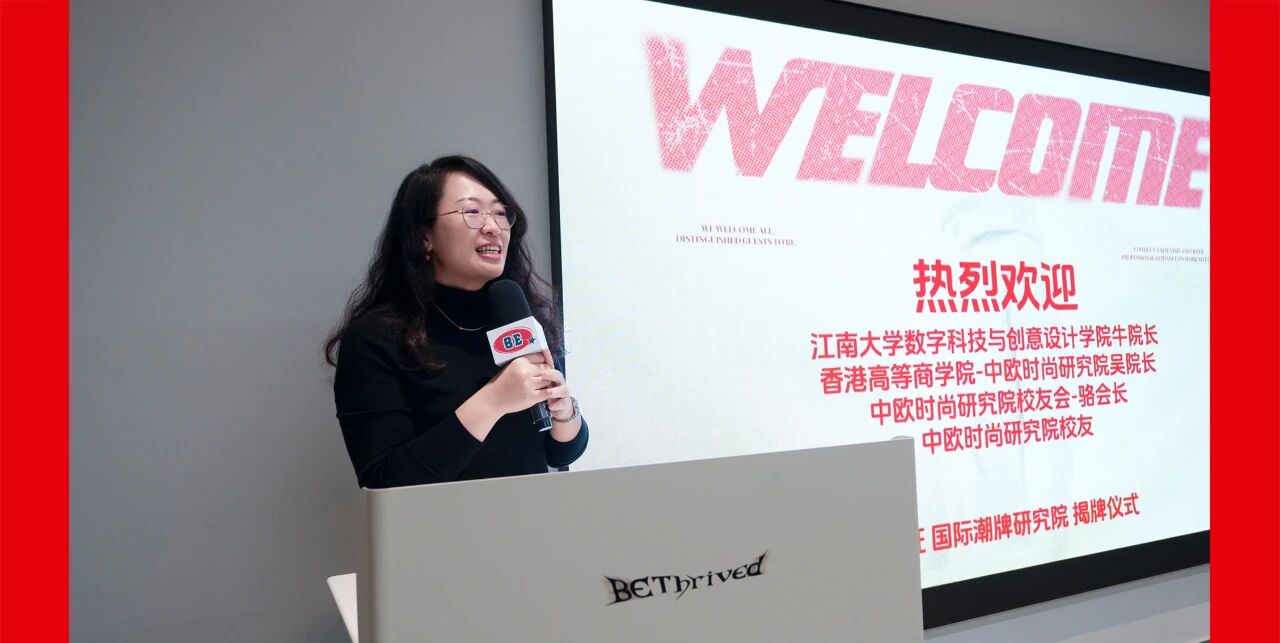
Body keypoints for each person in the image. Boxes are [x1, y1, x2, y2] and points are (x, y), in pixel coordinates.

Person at [323, 155, 587, 488]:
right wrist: (494, 400)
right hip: (437, 522)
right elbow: (385, 479)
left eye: (500, 213)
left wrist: (564, 411)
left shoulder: (517, 316)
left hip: (533, 517)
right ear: (424, 236)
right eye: (472, 212)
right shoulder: (376, 337)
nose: (493, 227)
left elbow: (560, 453)